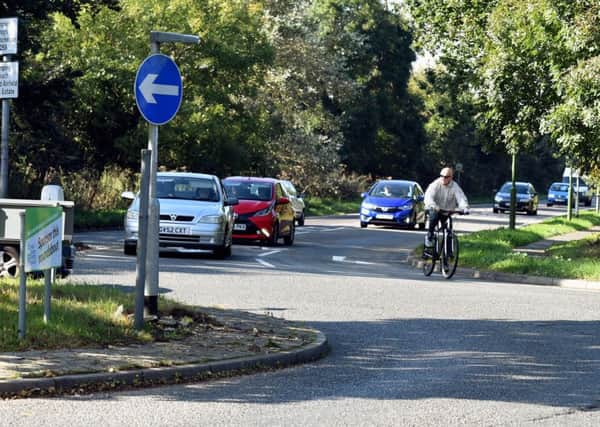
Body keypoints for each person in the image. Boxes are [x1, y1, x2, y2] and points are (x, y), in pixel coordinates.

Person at [423, 167, 469, 249]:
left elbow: (461, 197)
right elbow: (428, 197)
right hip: (436, 209)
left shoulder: (455, 186)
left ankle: (449, 250)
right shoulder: (435, 185)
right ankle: (430, 235)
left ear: (451, 177)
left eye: (446, 177)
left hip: (448, 211)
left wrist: (464, 207)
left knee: (448, 230)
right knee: (433, 218)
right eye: (442, 176)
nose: (443, 178)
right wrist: (433, 206)